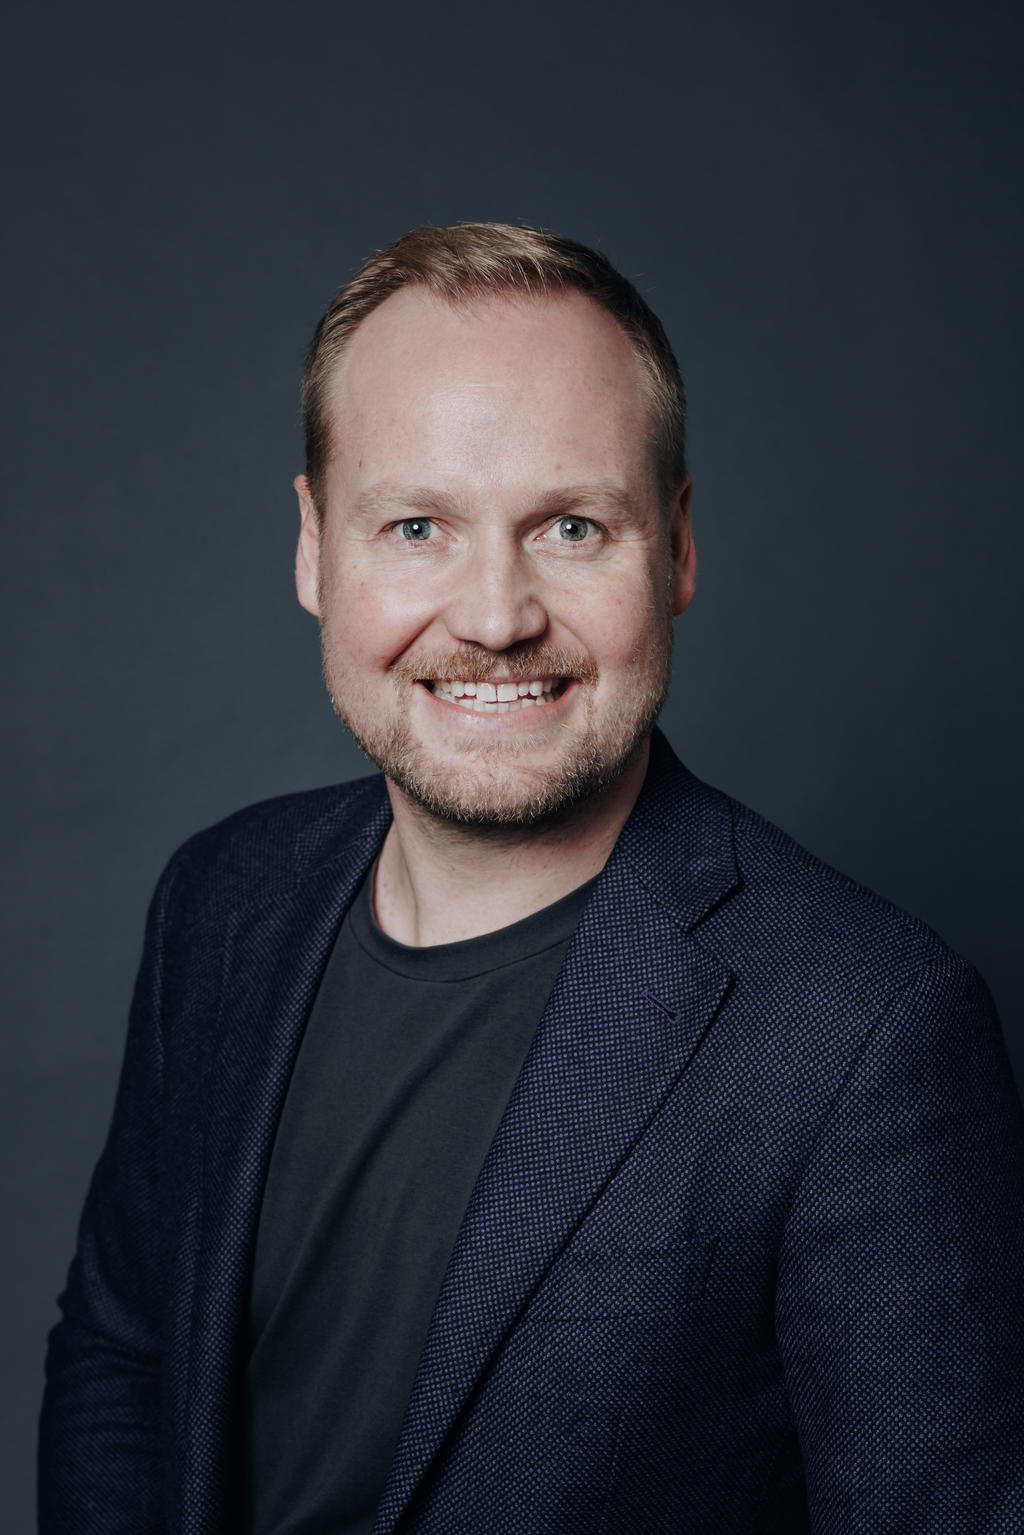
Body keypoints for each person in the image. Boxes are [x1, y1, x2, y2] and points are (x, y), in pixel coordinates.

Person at [39, 223, 1024, 1534]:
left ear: (675, 547)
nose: (496, 616)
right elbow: (126, 1355)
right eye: (417, 526)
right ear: (314, 546)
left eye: (571, 525)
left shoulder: (869, 1032)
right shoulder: (221, 902)